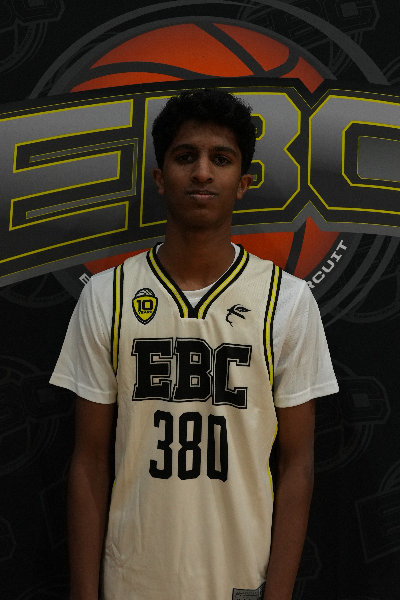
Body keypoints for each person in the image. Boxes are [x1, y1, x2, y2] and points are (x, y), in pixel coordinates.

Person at [50, 88, 339, 600]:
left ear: (243, 182)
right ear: (160, 177)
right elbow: (89, 461)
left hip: (239, 582)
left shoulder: (287, 301)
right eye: (186, 157)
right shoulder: (107, 295)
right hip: (131, 583)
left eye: (220, 159)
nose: (202, 172)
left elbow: (297, 466)